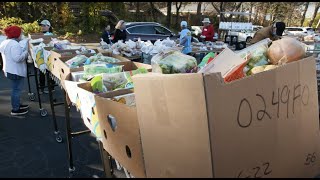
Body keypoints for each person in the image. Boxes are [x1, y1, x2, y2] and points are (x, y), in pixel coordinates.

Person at [0, 25, 29, 116]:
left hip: (9, 69)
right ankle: (15, 109)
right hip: (15, 70)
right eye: (20, 33)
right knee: (16, 90)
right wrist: (26, 52)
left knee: (15, 89)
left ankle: (17, 104)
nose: (21, 34)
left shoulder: (5, 42)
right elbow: (17, 58)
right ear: (16, 34)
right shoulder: (14, 44)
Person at [38, 19, 55, 94]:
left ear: (49, 26)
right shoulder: (39, 35)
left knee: (50, 72)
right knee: (41, 72)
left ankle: (52, 87)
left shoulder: (51, 35)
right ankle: (42, 88)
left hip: (49, 56)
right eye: (42, 26)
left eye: (44, 26)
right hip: (41, 56)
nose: (43, 27)